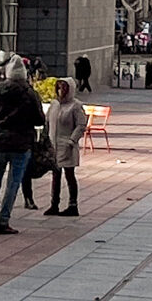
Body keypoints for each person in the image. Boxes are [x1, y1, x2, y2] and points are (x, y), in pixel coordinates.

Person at [0, 60, 45, 235]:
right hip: (21, 144)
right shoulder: (30, 94)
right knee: (13, 183)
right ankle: (3, 221)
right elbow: (40, 120)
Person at [43, 78, 90, 216]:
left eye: (64, 88)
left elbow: (81, 125)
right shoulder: (54, 105)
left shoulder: (75, 106)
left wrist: (72, 140)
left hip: (67, 144)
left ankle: (73, 205)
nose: (61, 91)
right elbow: (47, 122)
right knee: (55, 175)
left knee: (69, 175)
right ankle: (54, 204)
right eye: (58, 88)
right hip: (54, 144)